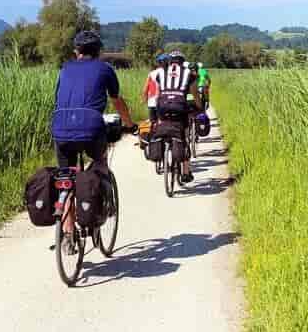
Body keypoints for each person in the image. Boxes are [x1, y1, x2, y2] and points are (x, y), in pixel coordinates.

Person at [51, 31, 136, 234]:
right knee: (100, 163)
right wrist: (129, 124)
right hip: (91, 128)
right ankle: (98, 204)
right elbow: (117, 101)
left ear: (76, 51)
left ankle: (68, 231)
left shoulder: (64, 69)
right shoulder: (105, 69)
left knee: (66, 177)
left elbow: (57, 100)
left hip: (61, 127)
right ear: (99, 51)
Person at [155, 50, 202, 184]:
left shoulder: (161, 73)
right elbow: (195, 95)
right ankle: (186, 172)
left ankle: (164, 152)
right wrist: (199, 107)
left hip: (162, 107)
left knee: (163, 126)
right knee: (183, 136)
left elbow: (159, 94)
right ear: (183, 62)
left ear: (170, 61)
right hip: (180, 107)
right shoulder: (189, 74)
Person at [142, 54, 169, 124]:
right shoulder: (169, 73)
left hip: (152, 102)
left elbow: (145, 88)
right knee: (163, 122)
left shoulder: (151, 73)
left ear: (158, 63)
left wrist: (144, 99)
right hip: (164, 102)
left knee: (152, 122)